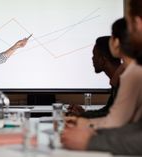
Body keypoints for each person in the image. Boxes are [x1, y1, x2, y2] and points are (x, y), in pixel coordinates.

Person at [61, 13, 142, 155]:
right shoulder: (130, 73)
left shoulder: (132, 75)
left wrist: (89, 138)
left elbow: (121, 122)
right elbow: (120, 120)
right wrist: (86, 122)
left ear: (116, 42)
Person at [79, 36, 123, 118]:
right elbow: (108, 110)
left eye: (94, 55)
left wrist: (83, 115)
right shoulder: (119, 78)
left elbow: (111, 116)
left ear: (102, 60)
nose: (92, 59)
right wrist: (83, 113)